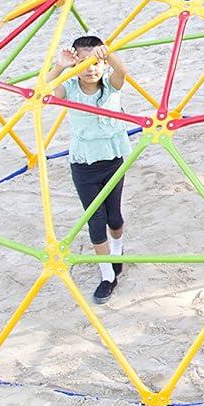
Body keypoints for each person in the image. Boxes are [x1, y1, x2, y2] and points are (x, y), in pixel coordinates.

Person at [52, 34, 133, 301]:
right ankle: (107, 275)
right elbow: (44, 87)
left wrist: (107, 54)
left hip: (112, 161)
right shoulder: (70, 91)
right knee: (96, 222)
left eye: (96, 62)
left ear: (104, 64)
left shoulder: (111, 86)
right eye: (83, 62)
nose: (90, 68)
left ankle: (117, 250)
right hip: (84, 166)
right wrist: (61, 65)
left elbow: (122, 70)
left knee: (115, 218)